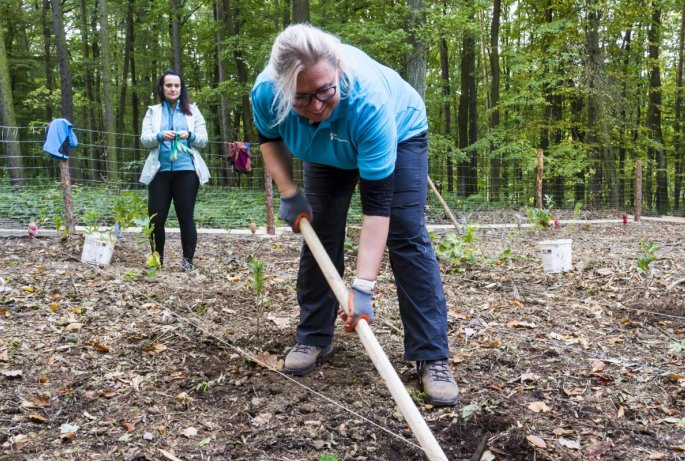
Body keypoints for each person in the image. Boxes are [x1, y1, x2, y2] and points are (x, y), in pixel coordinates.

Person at [251, 24, 459, 406]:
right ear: (282, 90)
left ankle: (431, 355)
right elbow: (270, 140)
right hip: (325, 151)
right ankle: (313, 335)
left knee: (405, 233)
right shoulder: (266, 93)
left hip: (398, 132)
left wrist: (363, 287)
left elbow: (378, 209)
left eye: (324, 91)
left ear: (339, 70)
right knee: (322, 229)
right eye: (302, 98)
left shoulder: (368, 102)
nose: (316, 105)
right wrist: (289, 193)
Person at [140, 69, 209, 271]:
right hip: (159, 171)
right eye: (168, 85)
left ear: (181, 88)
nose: (173, 88)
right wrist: (160, 136)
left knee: (185, 216)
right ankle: (156, 261)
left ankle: (187, 262)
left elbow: (204, 140)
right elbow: (145, 140)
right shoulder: (153, 111)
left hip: (186, 170)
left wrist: (189, 135)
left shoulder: (193, 111)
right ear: (162, 88)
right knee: (156, 218)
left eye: (176, 85)